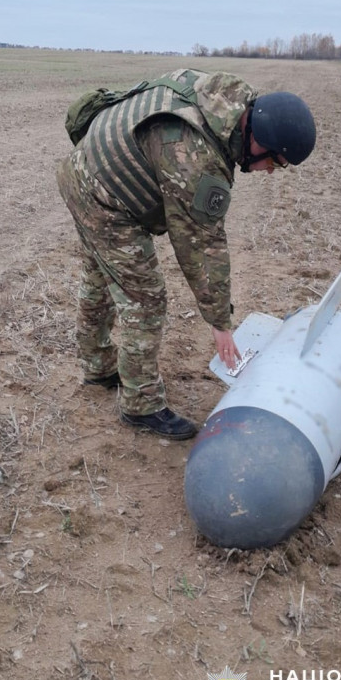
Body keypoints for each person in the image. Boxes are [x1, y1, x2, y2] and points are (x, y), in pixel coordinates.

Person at [57, 68, 316, 441]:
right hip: (102, 196)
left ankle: (97, 366)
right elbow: (199, 244)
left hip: (83, 169)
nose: (269, 172)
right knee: (144, 297)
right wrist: (221, 325)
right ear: (259, 140)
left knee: (100, 275)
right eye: (274, 162)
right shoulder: (196, 157)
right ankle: (141, 404)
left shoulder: (225, 97)